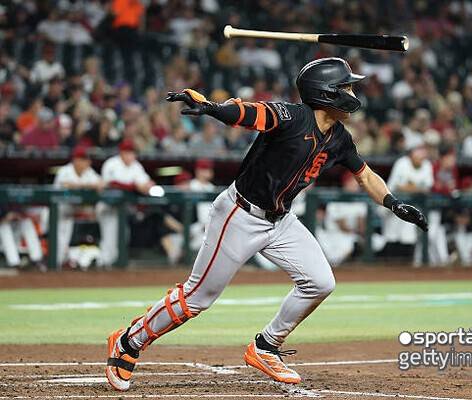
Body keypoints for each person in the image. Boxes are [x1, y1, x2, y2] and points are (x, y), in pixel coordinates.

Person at [105, 57, 427, 391]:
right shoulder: (293, 116)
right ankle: (128, 342)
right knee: (197, 297)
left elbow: (365, 175)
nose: (352, 92)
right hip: (240, 214)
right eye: (346, 86)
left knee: (320, 282)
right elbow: (251, 113)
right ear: (328, 92)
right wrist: (213, 108)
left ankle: (266, 346)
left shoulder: (339, 137)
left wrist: (393, 203)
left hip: (281, 220)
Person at [97, 139, 155, 267]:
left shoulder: (136, 166)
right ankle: (103, 265)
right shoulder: (111, 164)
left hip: (122, 210)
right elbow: (112, 184)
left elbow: (146, 184)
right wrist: (135, 186)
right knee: (109, 238)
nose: (130, 155)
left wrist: (145, 186)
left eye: (132, 152)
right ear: (121, 153)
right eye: (127, 152)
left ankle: (113, 266)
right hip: (108, 207)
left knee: (123, 236)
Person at [53, 146, 104, 266]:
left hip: (71, 212)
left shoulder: (88, 172)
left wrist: (82, 185)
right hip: (57, 212)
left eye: (87, 159)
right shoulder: (65, 171)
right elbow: (66, 184)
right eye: (84, 159)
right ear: (75, 160)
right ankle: (53, 266)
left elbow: (101, 183)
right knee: (59, 240)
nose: (88, 162)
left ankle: (60, 264)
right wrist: (88, 185)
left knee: (65, 241)